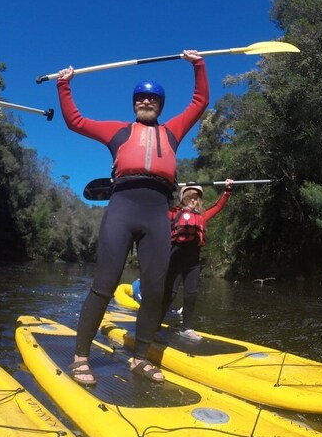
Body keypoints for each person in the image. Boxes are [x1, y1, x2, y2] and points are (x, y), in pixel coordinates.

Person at [57, 50, 209, 385]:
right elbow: (76, 121)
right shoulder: (118, 132)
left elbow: (200, 101)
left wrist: (197, 64)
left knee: (155, 290)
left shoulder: (172, 132)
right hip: (123, 207)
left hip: (157, 212)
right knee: (104, 285)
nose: (146, 102)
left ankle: (140, 358)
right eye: (141, 98)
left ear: (160, 106)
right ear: (134, 104)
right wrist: (64, 86)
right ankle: (81, 355)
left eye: (153, 99)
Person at [160, 180, 234, 341]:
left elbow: (218, 207)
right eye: (190, 197)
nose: (193, 200)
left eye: (196, 197)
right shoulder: (173, 213)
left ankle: (186, 328)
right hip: (175, 258)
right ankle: (155, 324)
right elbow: (160, 205)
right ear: (183, 197)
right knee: (169, 294)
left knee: (191, 294)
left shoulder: (202, 215)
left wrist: (227, 190)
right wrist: (165, 188)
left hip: (193, 260)